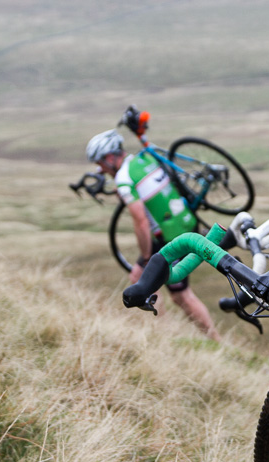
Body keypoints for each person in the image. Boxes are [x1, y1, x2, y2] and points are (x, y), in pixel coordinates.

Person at [86, 130, 221, 342]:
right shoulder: (142, 161)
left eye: (100, 163)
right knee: (140, 277)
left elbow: (140, 221)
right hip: (184, 222)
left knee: (181, 295)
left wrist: (147, 256)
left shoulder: (123, 178)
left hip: (172, 236)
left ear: (110, 157)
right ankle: (163, 333)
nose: (100, 169)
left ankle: (211, 340)